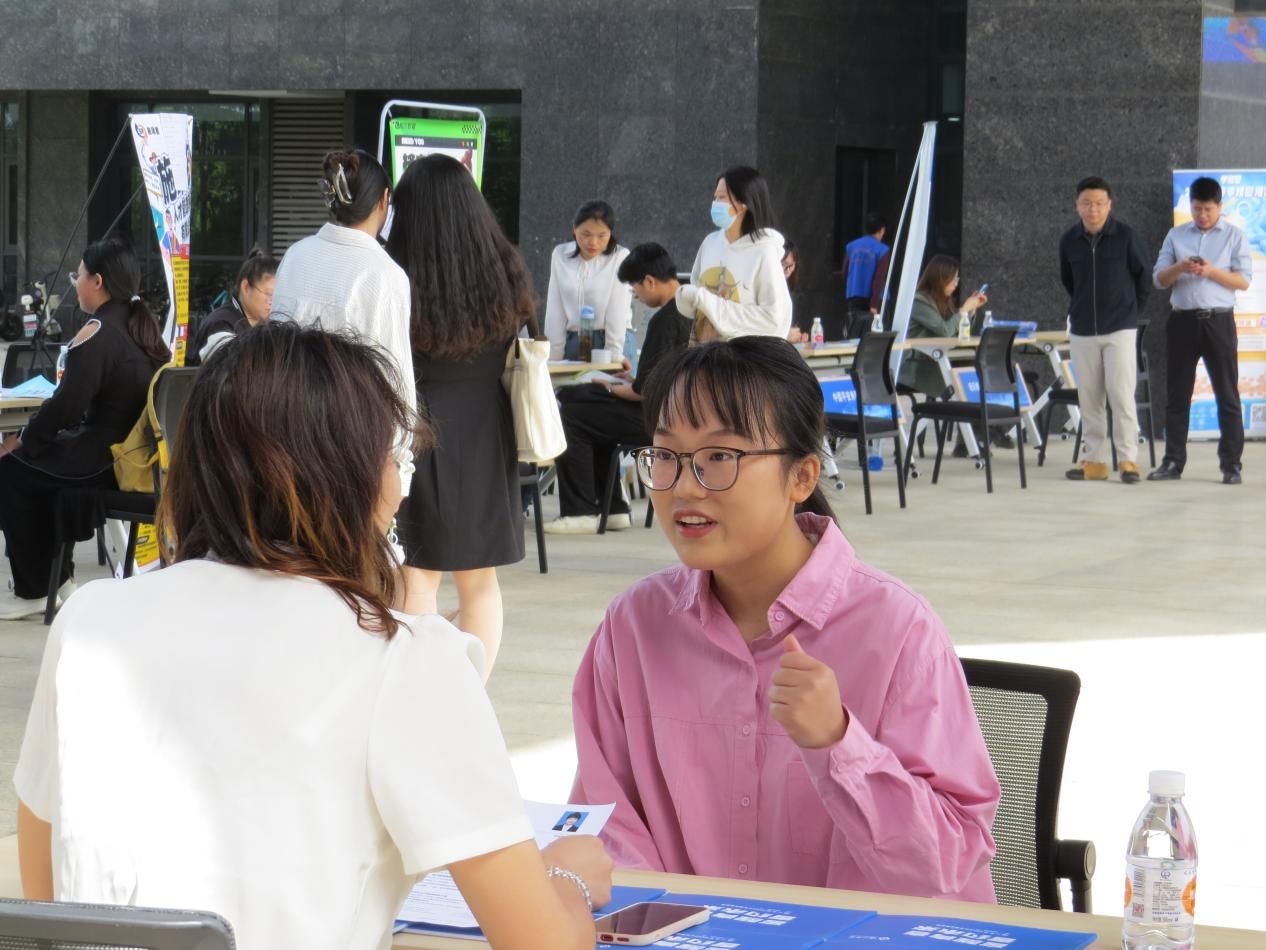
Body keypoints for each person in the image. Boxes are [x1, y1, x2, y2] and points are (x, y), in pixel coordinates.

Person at [14, 323, 613, 950]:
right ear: (355, 477)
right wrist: (568, 877)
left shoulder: (90, 621)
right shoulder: (405, 658)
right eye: (393, 456)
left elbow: (50, 902)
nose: (400, 483)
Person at [570, 337, 1000, 901]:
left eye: (720, 457)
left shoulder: (897, 631)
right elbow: (603, 824)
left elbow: (951, 861)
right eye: (667, 456)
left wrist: (839, 744)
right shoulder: (634, 627)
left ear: (802, 477)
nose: (685, 487)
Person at [385, 153, 536, 675]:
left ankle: (422, 694)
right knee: (479, 581)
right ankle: (471, 696)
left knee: (415, 575)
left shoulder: (396, 275)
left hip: (415, 426)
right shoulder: (503, 269)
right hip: (485, 430)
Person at [0, 237, 169, 621]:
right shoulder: (141, 326)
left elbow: (66, 407)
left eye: (78, 275)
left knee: (12, 469)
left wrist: (20, 441)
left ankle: (34, 589)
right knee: (37, 463)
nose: (75, 283)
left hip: (101, 457)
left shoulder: (99, 332)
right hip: (132, 457)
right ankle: (58, 582)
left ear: (97, 281)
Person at [271, 148, 415, 496]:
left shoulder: (295, 256)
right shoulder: (384, 273)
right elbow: (395, 379)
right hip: (354, 446)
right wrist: (400, 463)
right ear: (384, 200)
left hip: (286, 434)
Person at [545, 243, 692, 535]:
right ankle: (612, 508)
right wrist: (626, 381)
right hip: (680, 412)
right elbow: (654, 380)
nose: (637, 296)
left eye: (635, 289)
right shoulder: (693, 306)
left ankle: (581, 511)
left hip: (659, 419)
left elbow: (643, 393)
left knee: (571, 411)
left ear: (649, 281)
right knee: (590, 411)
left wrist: (610, 385)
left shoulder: (666, 318)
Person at [1149, 176, 1252, 485]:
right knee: (1177, 395)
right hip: (1182, 321)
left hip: (1218, 321)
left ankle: (1231, 465)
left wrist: (1211, 272)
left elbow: (1243, 281)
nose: (1202, 215)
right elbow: (1159, 280)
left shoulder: (1234, 236)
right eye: (1196, 209)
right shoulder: (1176, 235)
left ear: (1220, 206)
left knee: (1227, 395)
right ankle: (1172, 462)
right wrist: (1180, 268)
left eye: (1207, 209)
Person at [1058, 177, 1152, 484]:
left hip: (1119, 329)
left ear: (1109, 205)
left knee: (1121, 394)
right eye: (1086, 203)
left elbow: (1143, 278)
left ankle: (1127, 460)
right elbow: (1069, 281)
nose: (1093, 209)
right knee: (1089, 398)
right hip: (1082, 329)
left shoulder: (1126, 236)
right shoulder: (1069, 240)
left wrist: (1129, 312)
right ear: (1077, 205)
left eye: (1099, 204)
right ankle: (1095, 461)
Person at [675, 166, 792, 343]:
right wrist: (687, 299)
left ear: (743, 204)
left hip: (743, 355)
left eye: (721, 197)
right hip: (703, 352)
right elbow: (696, 293)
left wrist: (706, 300)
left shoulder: (764, 251)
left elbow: (773, 318)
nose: (715, 203)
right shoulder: (710, 243)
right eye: (715, 197)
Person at [543, 200, 632, 361]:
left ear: (610, 233)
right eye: (586, 234)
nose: (593, 242)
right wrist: (553, 357)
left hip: (610, 339)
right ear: (574, 229)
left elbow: (618, 310)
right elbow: (554, 310)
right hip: (573, 340)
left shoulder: (620, 256)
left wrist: (614, 355)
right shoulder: (560, 255)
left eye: (602, 235)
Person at [897, 255, 987, 399]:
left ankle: (967, 408)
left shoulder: (943, 301)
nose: (956, 284)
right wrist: (964, 309)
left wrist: (971, 310)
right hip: (917, 365)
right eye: (953, 279)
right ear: (941, 279)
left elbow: (957, 333)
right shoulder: (919, 301)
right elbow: (945, 331)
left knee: (972, 370)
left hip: (937, 359)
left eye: (957, 279)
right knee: (962, 379)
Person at [186, 248, 277, 367]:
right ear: (245, 287)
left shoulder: (269, 325)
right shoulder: (220, 324)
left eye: (277, 296)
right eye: (269, 294)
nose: (272, 302)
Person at [842, 212, 891, 340]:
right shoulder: (882, 250)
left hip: (854, 297)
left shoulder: (851, 246)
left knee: (855, 336)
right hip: (876, 299)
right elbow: (879, 278)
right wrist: (874, 305)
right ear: (882, 230)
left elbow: (845, 272)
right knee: (878, 339)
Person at [782, 240, 809, 343]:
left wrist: (798, 337)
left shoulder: (791, 290)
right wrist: (784, 335)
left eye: (791, 266)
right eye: (784, 265)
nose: (787, 270)